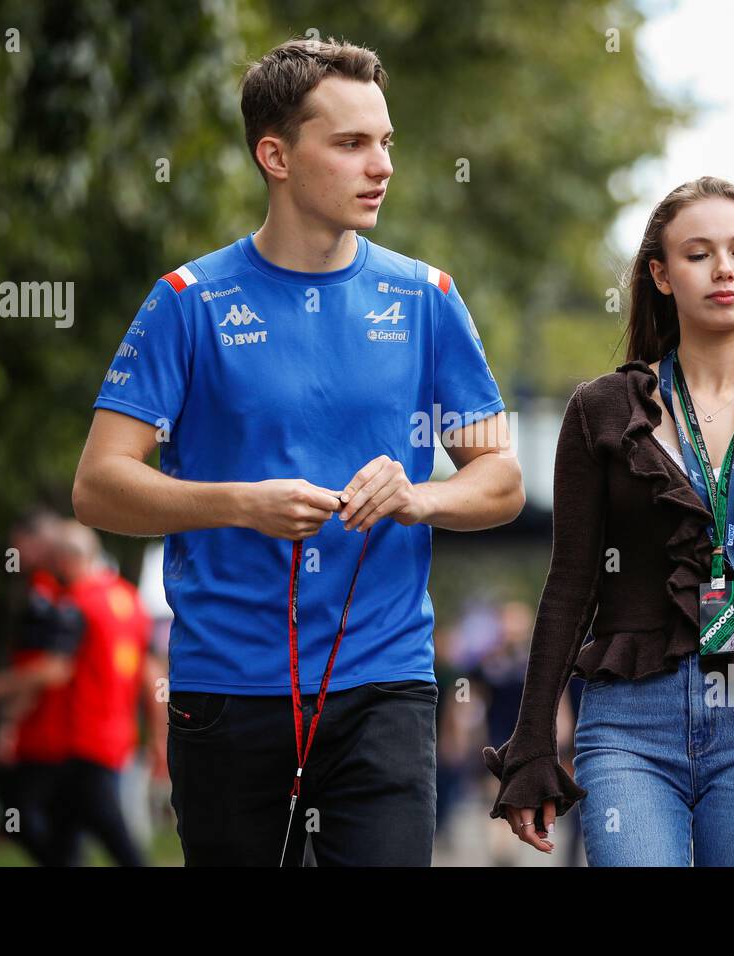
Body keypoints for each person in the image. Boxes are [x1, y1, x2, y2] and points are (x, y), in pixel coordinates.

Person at [72, 37, 521, 866]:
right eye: (351, 143)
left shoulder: (428, 297)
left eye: (386, 142)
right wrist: (239, 503)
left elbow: (499, 481)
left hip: (383, 681)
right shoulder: (187, 301)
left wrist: (421, 497)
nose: (380, 165)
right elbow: (100, 487)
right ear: (274, 155)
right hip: (226, 688)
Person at [483, 176, 734, 866]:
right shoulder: (601, 410)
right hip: (627, 725)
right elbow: (570, 583)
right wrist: (531, 742)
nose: (723, 269)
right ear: (661, 274)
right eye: (698, 253)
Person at [0, 508, 83, 866]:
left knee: (26, 816)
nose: (16, 557)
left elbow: (51, 668)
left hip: (54, 731)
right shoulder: (49, 587)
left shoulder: (54, 590)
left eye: (20, 548)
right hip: (54, 729)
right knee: (58, 825)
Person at [51, 520, 159, 867]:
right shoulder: (129, 599)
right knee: (68, 827)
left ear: (68, 560)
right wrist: (157, 735)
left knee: (110, 829)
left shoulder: (76, 602)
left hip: (83, 737)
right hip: (118, 736)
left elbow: (55, 669)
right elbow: (150, 672)